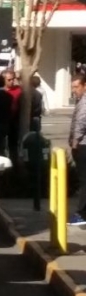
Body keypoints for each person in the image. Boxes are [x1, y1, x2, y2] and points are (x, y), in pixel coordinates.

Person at [68, 73, 86, 226]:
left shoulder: (84, 103)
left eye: (76, 87)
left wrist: (74, 144)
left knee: (84, 181)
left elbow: (80, 124)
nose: (74, 90)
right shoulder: (81, 101)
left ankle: (82, 213)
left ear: (84, 86)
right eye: (72, 87)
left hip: (83, 146)